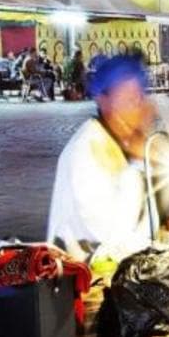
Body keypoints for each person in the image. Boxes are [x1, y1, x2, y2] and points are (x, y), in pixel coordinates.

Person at [47, 55, 156, 265]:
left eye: (140, 98)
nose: (140, 108)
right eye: (129, 100)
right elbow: (111, 234)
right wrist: (136, 162)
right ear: (103, 101)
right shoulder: (86, 150)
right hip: (88, 275)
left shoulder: (120, 141)